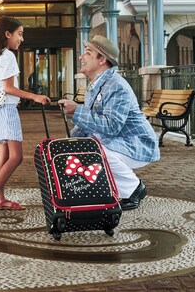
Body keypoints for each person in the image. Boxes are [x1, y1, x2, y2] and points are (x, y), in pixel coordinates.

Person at [58, 35, 159, 211]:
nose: (81, 57)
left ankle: (134, 189)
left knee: (93, 149)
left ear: (102, 59)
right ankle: (108, 191)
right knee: (84, 147)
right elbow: (87, 123)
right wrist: (65, 143)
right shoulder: (97, 84)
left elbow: (111, 126)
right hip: (117, 141)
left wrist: (77, 110)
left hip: (137, 143)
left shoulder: (115, 85)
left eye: (87, 53)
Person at [0, 17, 50, 217]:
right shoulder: (8, 56)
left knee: (4, 155)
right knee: (16, 157)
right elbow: (9, 88)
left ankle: (0, 199)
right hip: (6, 109)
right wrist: (35, 96)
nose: (22, 38)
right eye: (19, 34)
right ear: (7, 34)